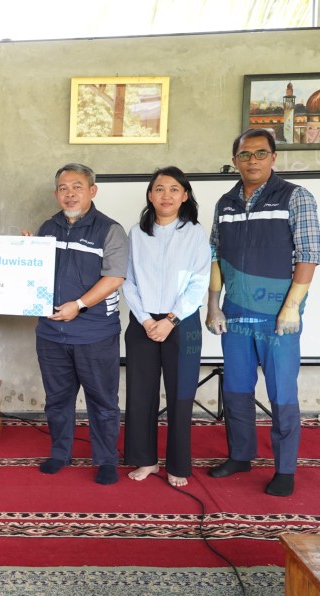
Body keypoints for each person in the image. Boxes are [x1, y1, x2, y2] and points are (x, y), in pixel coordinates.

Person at [206, 129, 320, 497]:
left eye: (260, 153)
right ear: (235, 160)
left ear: (273, 157)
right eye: (244, 154)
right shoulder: (225, 203)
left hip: (278, 319)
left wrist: (292, 308)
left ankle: (285, 469)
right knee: (236, 391)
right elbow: (214, 255)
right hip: (235, 315)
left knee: (282, 396)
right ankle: (241, 455)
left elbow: (309, 254)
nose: (252, 160)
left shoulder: (296, 197)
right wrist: (213, 305)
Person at [33, 163, 128, 485]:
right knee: (57, 400)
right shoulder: (48, 227)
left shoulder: (110, 229)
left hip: (94, 334)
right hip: (51, 334)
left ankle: (106, 460)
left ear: (92, 191)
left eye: (77, 187)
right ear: (56, 194)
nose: (70, 194)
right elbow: (36, 274)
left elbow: (114, 277)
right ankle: (60, 453)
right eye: (63, 188)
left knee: (102, 401)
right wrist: (24, 253)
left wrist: (80, 305)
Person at [122, 167, 210, 487]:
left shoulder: (195, 234)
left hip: (182, 323)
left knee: (180, 395)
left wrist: (171, 320)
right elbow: (128, 280)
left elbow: (199, 282)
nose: (166, 195)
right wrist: (147, 320)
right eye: (159, 189)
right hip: (143, 323)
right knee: (140, 394)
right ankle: (145, 460)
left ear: (184, 196)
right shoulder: (137, 233)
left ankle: (177, 464)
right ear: (150, 195)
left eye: (174, 189)